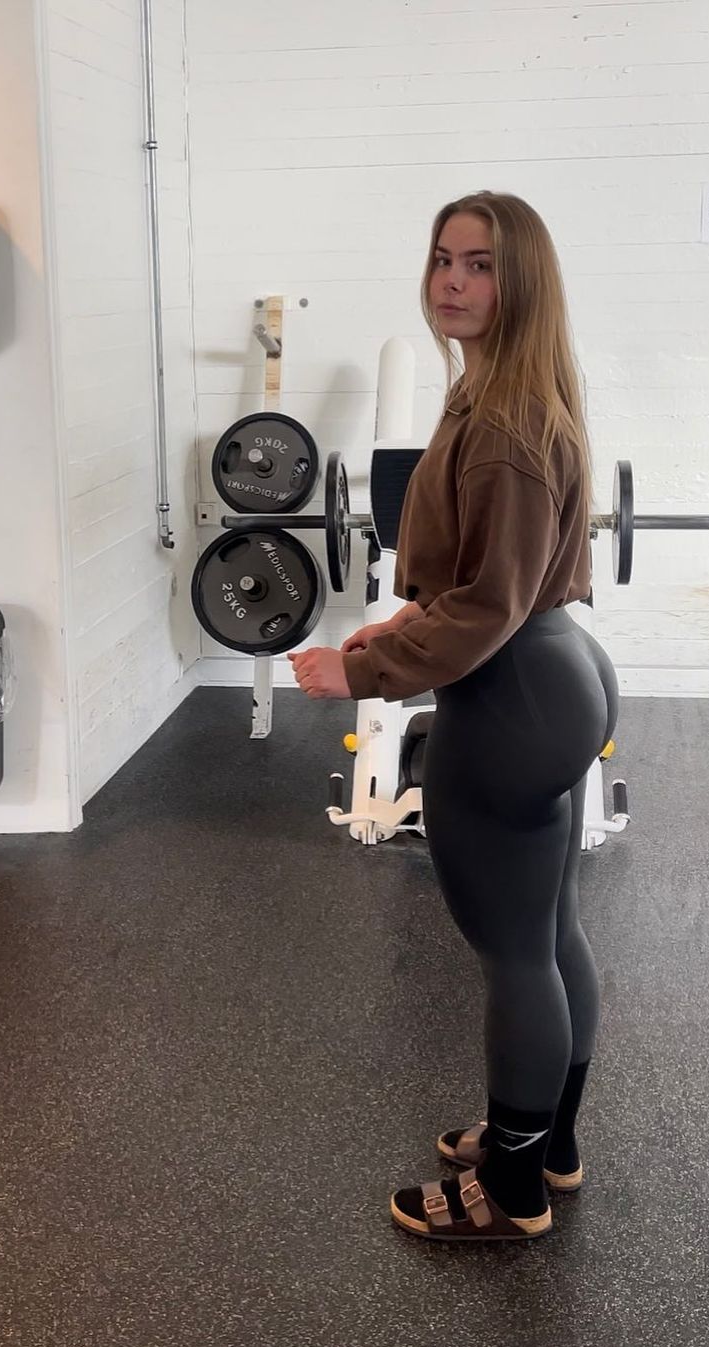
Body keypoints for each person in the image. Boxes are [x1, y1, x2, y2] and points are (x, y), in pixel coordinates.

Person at [288, 191, 619, 1242]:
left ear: (522, 282)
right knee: (548, 931)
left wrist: (364, 673)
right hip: (549, 672)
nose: (453, 282)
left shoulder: (507, 424)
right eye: (443, 259)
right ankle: (546, 1143)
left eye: (480, 264)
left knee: (515, 952)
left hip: (511, 692)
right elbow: (483, 582)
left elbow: (485, 608)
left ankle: (510, 1192)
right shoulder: (501, 391)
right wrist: (396, 627)